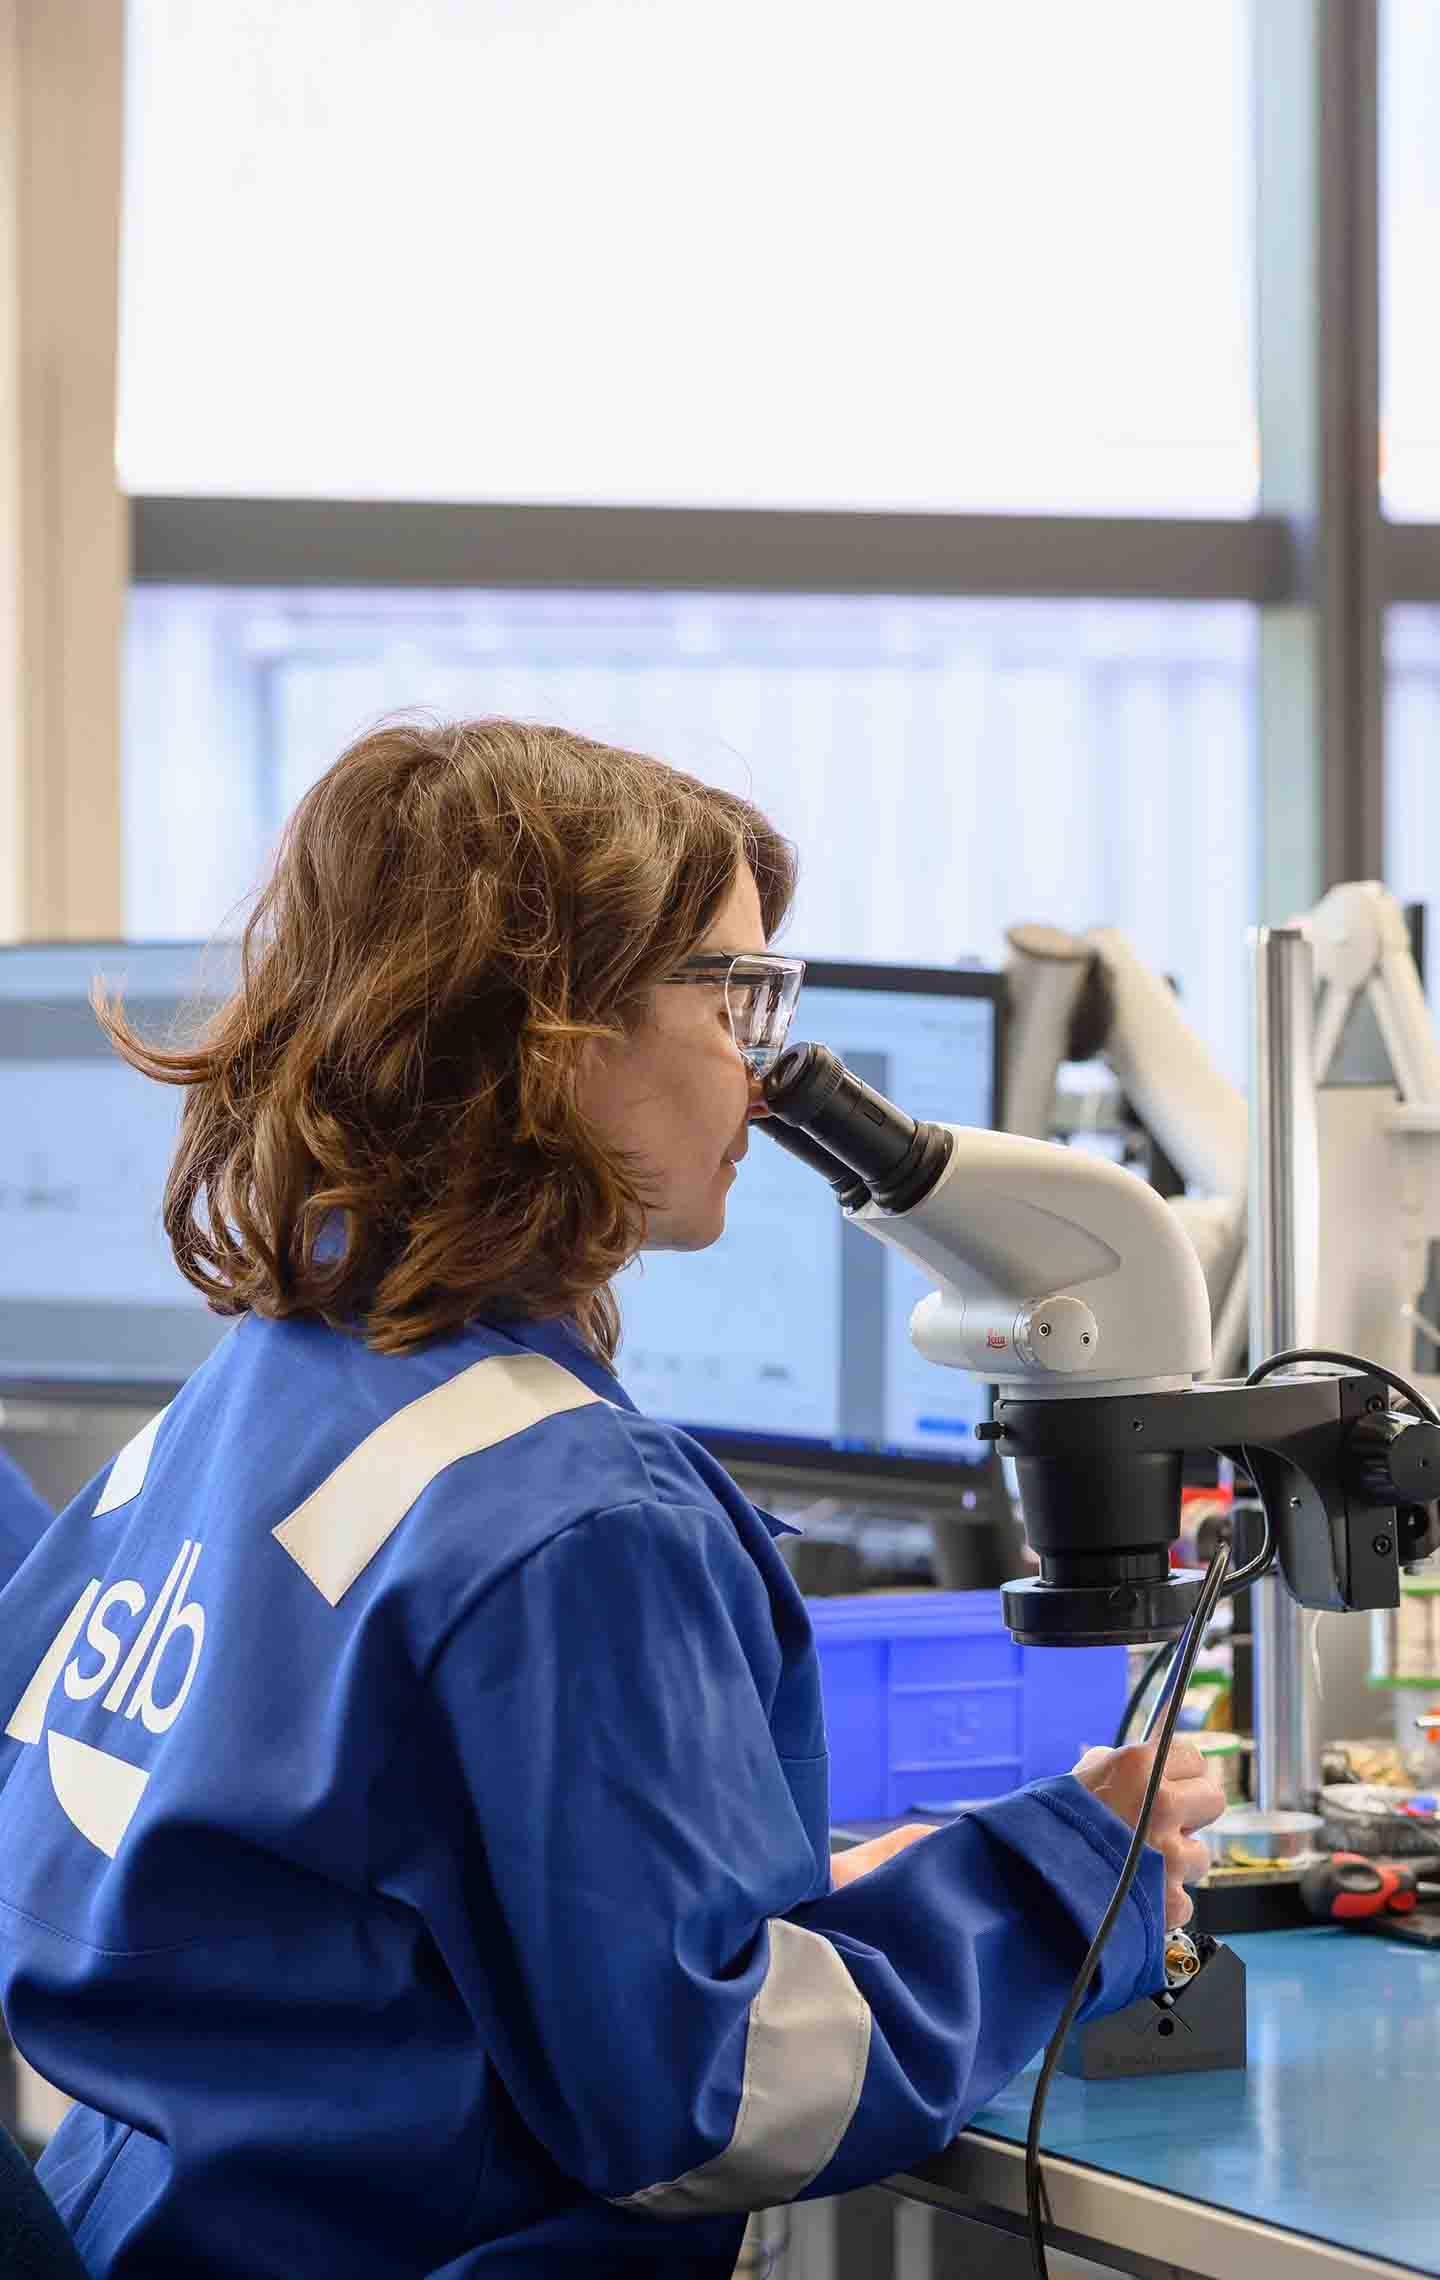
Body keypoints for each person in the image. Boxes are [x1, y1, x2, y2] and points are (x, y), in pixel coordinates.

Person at [0, 720, 1225, 2279]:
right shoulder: (577, 1516)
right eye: (738, 996)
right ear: (551, 1034)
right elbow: (711, 2107)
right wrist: (1070, 1879)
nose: (770, 1067)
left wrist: (760, 1888)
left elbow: (307, 1888)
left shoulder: (256, 1397)